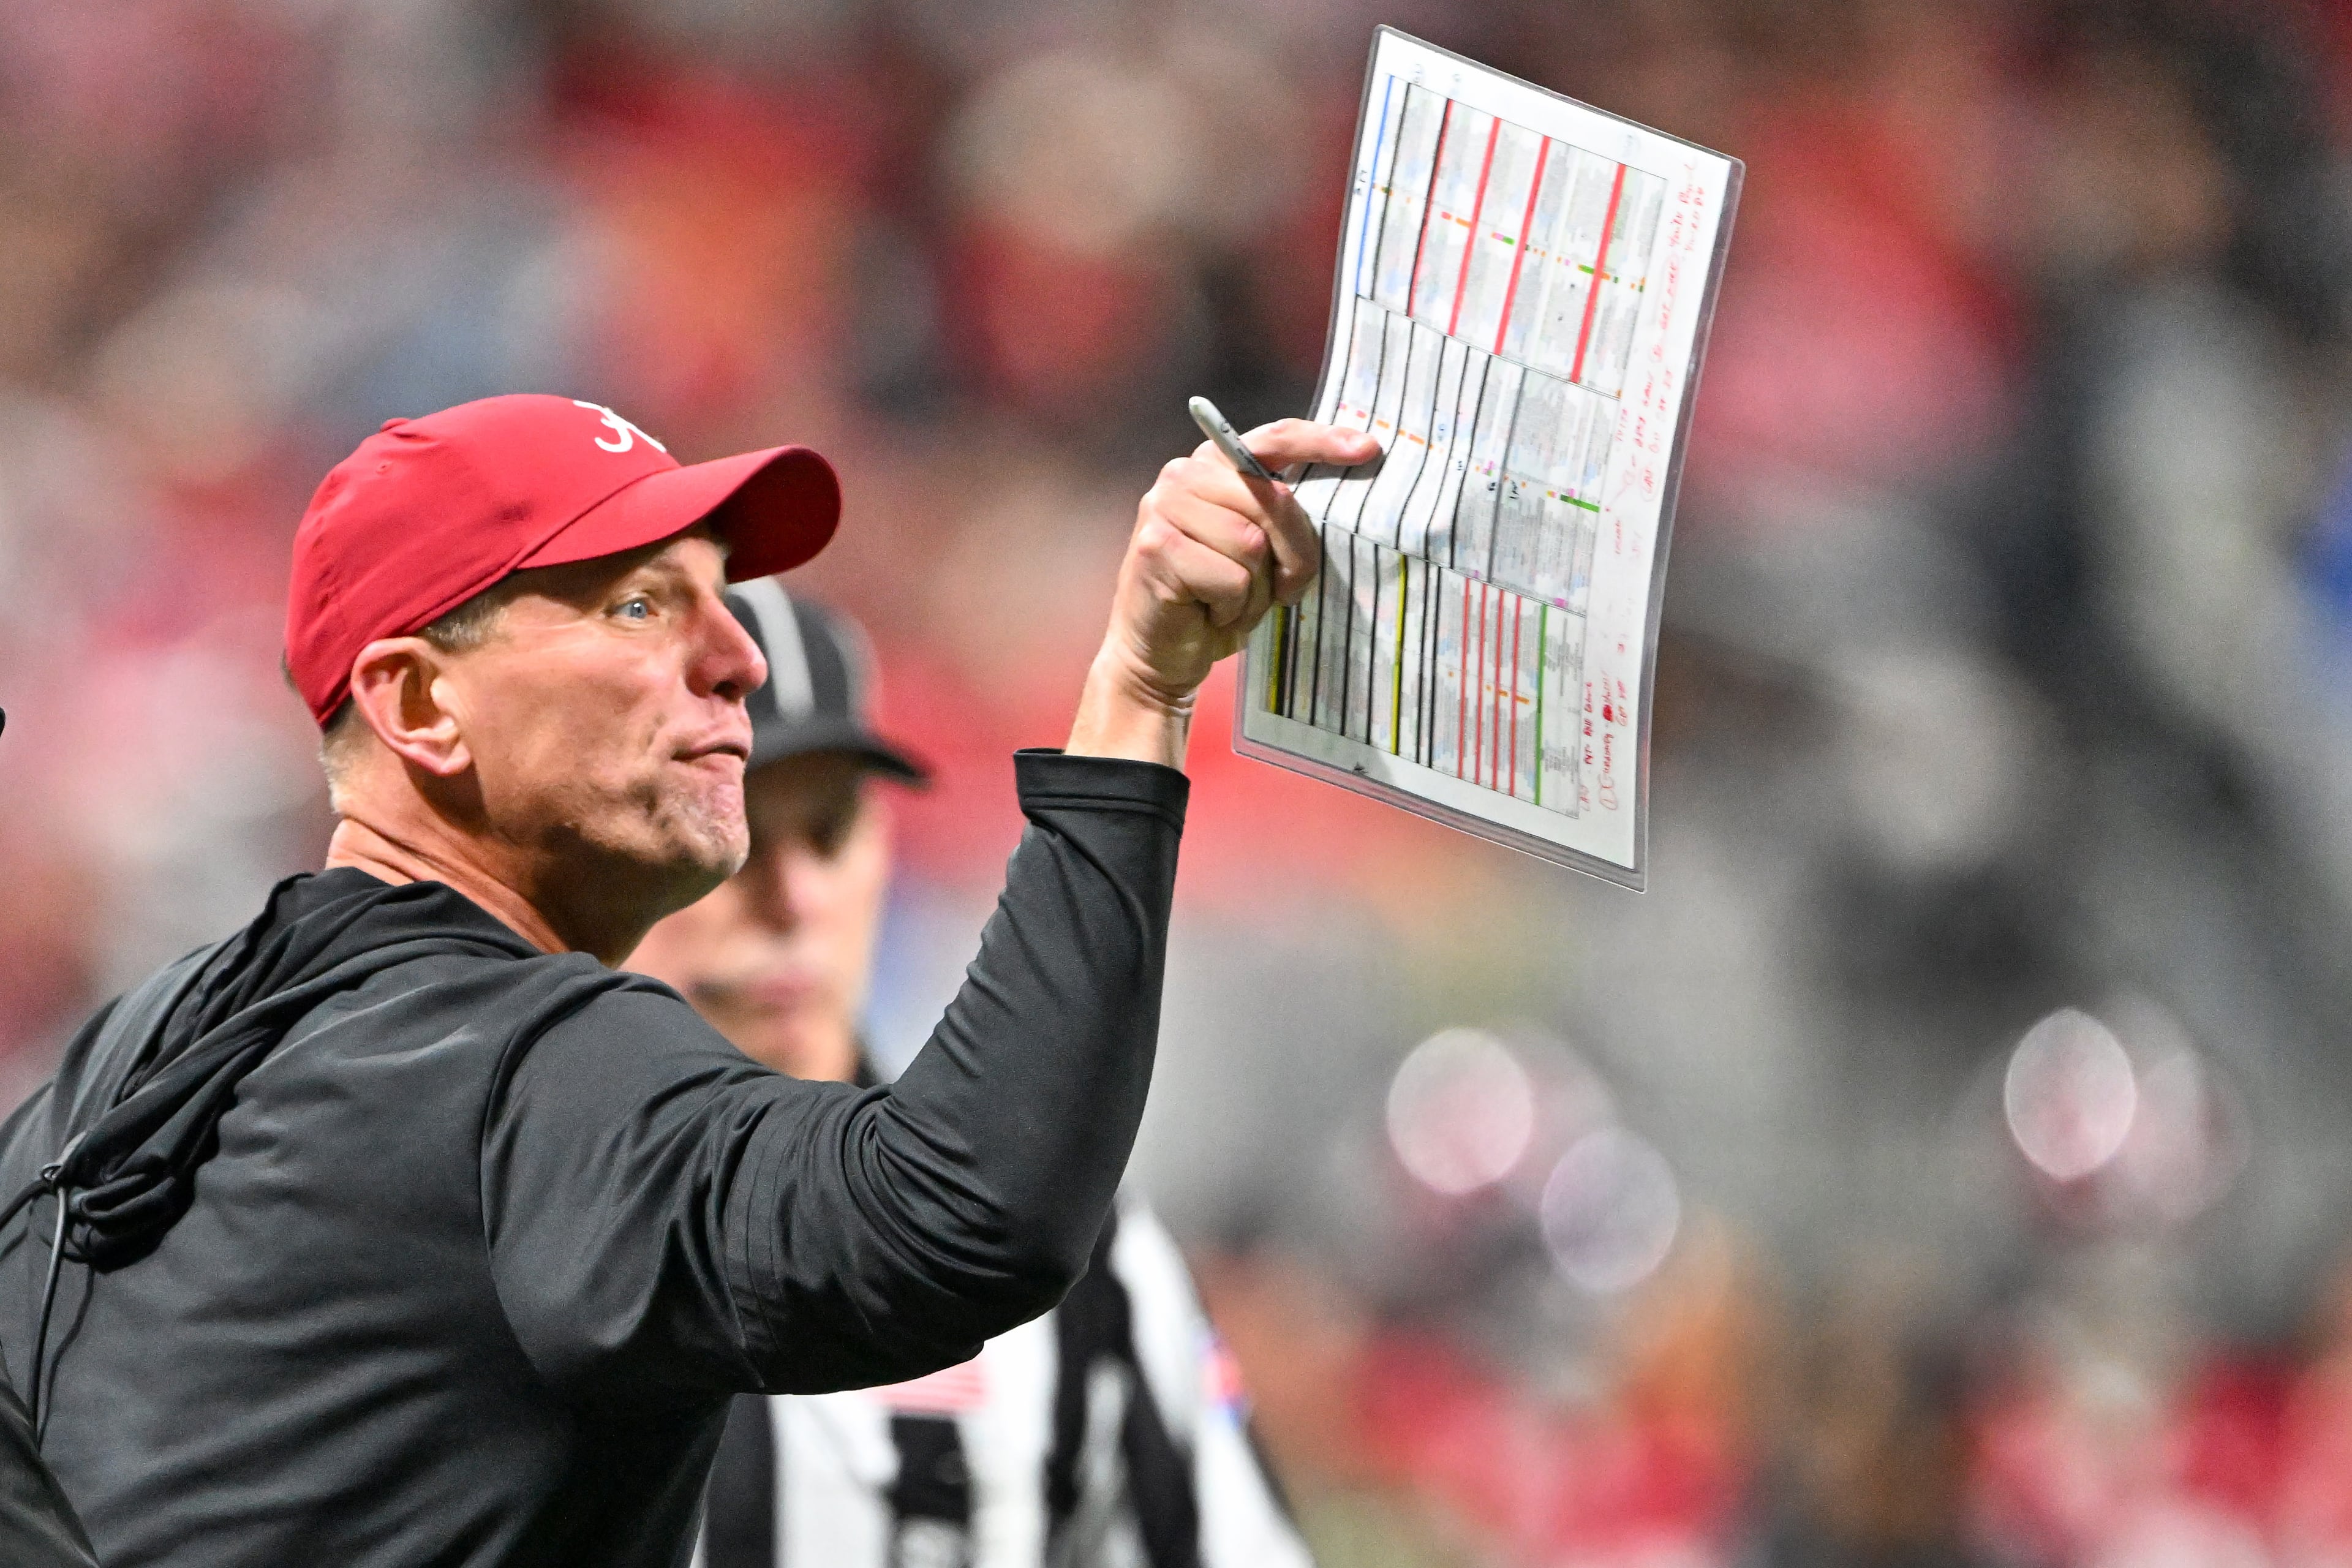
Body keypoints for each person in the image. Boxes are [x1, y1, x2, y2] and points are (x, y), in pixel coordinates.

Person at [0, 393, 1378, 1567]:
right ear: (420, 705)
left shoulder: (139, 1049)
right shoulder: (529, 1070)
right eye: (644, 601)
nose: (739, 658)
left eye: (721, 599)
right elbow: (964, 1207)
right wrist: (1138, 693)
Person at [627, 583, 1315, 1568]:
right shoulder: (508, 1221)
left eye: (827, 832)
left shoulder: (1085, 1256)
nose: (794, 896)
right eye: (728, 846)